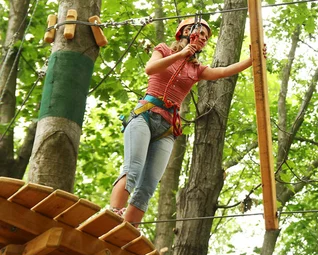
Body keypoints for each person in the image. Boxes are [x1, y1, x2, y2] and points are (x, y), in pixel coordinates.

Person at [109, 18, 254, 225]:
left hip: (168, 128)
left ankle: (127, 229)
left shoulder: (196, 70)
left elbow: (222, 72)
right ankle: (113, 214)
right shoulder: (164, 50)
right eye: (200, 33)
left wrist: (251, 60)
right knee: (133, 169)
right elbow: (150, 69)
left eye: (206, 36)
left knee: (148, 185)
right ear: (186, 31)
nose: (203, 38)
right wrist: (180, 54)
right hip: (145, 115)